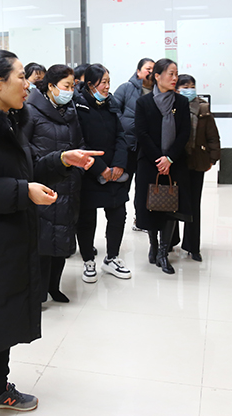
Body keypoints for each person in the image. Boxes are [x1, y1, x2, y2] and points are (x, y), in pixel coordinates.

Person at [0, 50, 100, 416]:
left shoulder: (8, 122)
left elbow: (23, 171)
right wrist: (24, 192)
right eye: (22, 76)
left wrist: (61, 160)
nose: (29, 84)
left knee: (3, 324)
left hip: (10, 240)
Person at [22, 64, 84, 303]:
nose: (70, 91)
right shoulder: (31, 111)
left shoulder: (70, 110)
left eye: (72, 86)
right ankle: (37, 294)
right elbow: (24, 147)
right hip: (44, 181)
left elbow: (79, 141)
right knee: (43, 241)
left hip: (69, 181)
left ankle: (54, 287)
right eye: (66, 86)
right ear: (51, 86)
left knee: (63, 237)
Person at [73, 63, 132, 283]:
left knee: (118, 214)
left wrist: (118, 166)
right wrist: (101, 169)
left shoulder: (111, 103)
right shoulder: (78, 107)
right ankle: (88, 260)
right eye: (103, 82)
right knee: (86, 219)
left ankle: (112, 258)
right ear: (90, 85)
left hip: (114, 171)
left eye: (108, 82)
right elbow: (80, 141)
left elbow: (120, 135)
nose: (107, 86)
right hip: (90, 171)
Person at [134, 58, 192, 274]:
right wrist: (159, 158)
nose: (175, 78)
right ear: (157, 76)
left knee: (171, 206)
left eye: (176, 73)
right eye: (171, 73)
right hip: (150, 163)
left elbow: (185, 132)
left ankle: (163, 252)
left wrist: (169, 158)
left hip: (174, 163)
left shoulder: (181, 102)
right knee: (151, 205)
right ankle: (153, 244)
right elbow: (141, 133)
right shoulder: (143, 102)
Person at [171, 74, 221, 262]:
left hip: (196, 162)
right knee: (172, 202)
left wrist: (212, 159)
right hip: (175, 162)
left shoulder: (203, 108)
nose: (189, 90)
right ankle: (170, 241)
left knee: (193, 204)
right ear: (177, 89)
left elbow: (213, 136)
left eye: (192, 86)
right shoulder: (171, 106)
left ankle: (192, 246)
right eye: (185, 87)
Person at [112, 58, 155, 230]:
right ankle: (118, 221)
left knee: (144, 187)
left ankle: (140, 220)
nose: (150, 72)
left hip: (147, 148)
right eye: (147, 68)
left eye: (153, 69)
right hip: (128, 146)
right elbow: (114, 112)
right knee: (123, 185)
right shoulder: (126, 88)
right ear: (138, 71)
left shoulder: (158, 91)